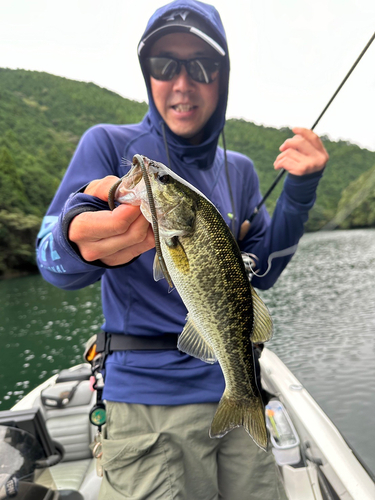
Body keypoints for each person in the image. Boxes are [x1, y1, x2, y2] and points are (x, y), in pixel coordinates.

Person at [36, 0, 328, 498]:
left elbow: (261, 272)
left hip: (237, 389)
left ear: (223, 75)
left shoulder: (238, 169)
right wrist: (76, 236)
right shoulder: (107, 143)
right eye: (164, 65)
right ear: (147, 74)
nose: (182, 83)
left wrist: (300, 194)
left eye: (203, 66)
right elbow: (49, 260)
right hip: (146, 407)